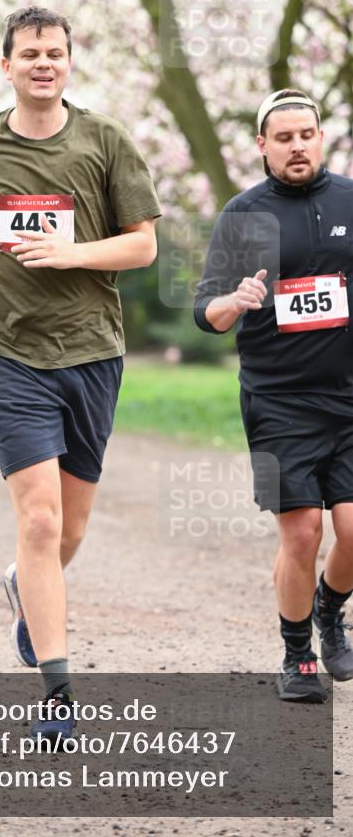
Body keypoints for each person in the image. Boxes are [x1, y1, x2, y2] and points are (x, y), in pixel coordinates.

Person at [0, 6, 161, 744]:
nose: (43, 63)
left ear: (68, 62)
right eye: (29, 53)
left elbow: (143, 246)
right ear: (7, 66)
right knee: (41, 519)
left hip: (91, 354)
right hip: (9, 356)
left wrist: (71, 254)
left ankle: (25, 589)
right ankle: (58, 698)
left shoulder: (104, 140)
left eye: (54, 52)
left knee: (71, 528)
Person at [194, 89, 353, 703]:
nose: (297, 146)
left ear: (321, 137)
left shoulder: (349, 201)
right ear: (263, 145)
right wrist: (232, 302)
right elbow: (205, 312)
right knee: (303, 532)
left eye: (306, 135)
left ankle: (329, 608)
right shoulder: (242, 216)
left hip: (348, 395)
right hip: (277, 400)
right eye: (283, 138)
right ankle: (297, 654)